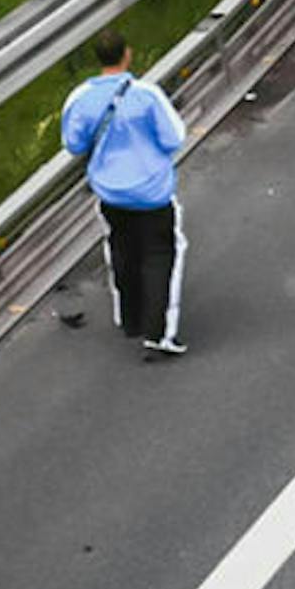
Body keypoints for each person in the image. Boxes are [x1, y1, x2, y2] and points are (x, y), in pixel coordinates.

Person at [59, 33, 191, 356]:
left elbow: (73, 144)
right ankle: (157, 334)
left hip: (111, 195)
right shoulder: (147, 94)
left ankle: (131, 319)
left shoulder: (80, 97)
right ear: (127, 54)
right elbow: (174, 137)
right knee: (160, 257)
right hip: (152, 194)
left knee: (122, 252)